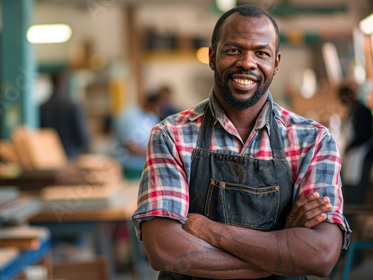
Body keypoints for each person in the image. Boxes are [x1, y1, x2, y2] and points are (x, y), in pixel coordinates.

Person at [132, 5, 351, 280]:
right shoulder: (171, 135)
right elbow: (165, 250)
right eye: (233, 50)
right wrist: (284, 250)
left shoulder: (314, 141)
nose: (247, 62)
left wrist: (210, 230)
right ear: (212, 57)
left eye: (261, 53)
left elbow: (320, 256)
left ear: (276, 63)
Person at [40, 72, 89, 160]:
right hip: (70, 155)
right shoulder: (72, 107)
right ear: (63, 84)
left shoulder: (42, 108)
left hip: (49, 156)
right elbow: (81, 136)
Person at [113, 94, 161, 178]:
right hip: (132, 167)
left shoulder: (151, 116)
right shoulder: (130, 116)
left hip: (146, 166)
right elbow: (131, 146)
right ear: (151, 104)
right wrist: (156, 154)